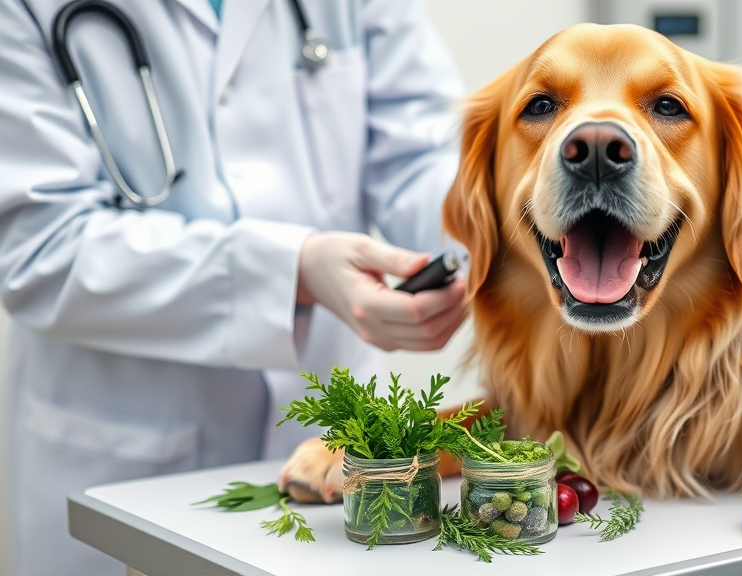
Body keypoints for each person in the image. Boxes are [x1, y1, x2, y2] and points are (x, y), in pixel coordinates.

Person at [0, 1, 467, 574]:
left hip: (326, 447)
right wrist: (293, 271)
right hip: (129, 457)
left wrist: (500, 234)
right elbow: (41, 246)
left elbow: (424, 154)